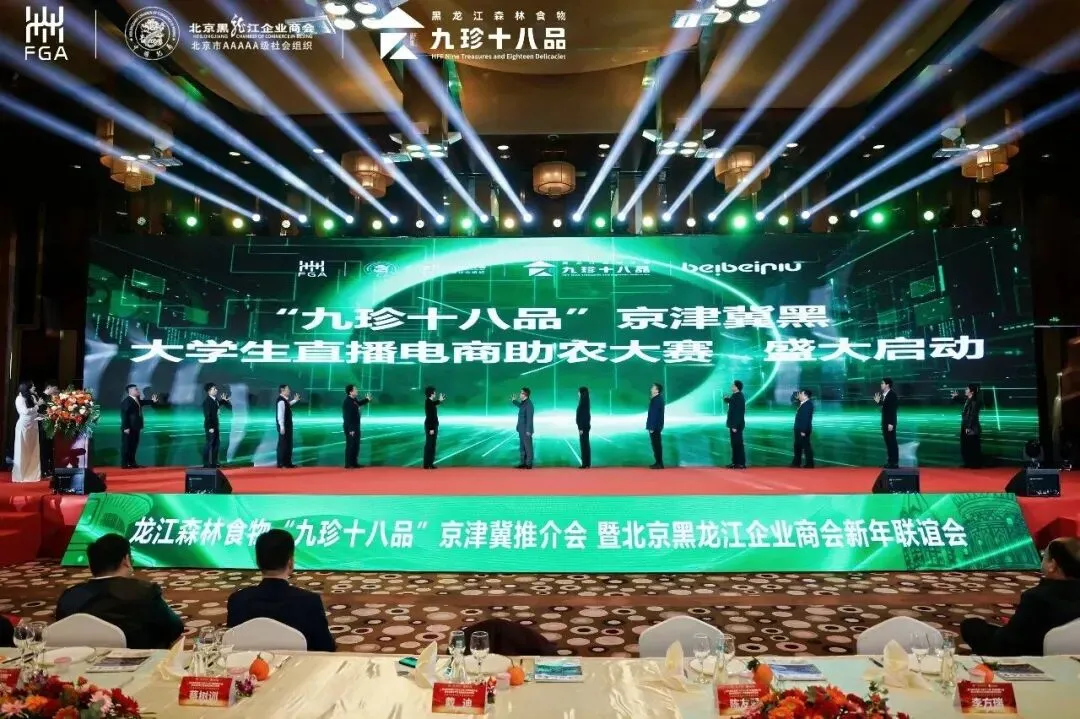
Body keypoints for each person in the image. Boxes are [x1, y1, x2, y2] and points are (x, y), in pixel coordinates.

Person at [55, 533, 184, 649]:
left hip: (83, 662)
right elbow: (174, 627)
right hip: (140, 661)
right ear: (126, 560)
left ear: (91, 565)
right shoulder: (144, 592)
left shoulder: (70, 596)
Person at [960, 537, 1080, 656]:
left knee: (971, 626)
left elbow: (1006, 645)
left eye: (1044, 554)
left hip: (1032, 656)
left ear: (1052, 565)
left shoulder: (1036, 598)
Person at [226, 529, 335, 652]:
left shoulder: (237, 600)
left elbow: (231, 645)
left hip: (249, 663)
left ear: (257, 562)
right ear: (291, 563)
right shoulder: (310, 602)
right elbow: (326, 648)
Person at [12, 381, 42, 483]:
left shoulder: (32, 397)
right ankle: (21, 475)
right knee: (22, 449)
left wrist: (41, 415)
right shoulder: (19, 399)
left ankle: (32, 475)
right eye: (32, 386)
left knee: (33, 449)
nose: (34, 387)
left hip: (33, 425)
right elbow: (24, 412)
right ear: (27, 388)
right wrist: (37, 406)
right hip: (24, 426)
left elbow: (35, 413)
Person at [342, 384, 373, 468]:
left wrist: (367, 399)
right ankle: (348, 464)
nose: (357, 391)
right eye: (355, 389)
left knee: (356, 444)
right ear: (350, 392)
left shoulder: (354, 400)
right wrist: (351, 429)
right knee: (351, 445)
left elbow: (359, 403)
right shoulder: (347, 401)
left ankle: (354, 463)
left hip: (355, 425)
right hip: (351, 427)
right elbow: (347, 417)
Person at [953, 384, 983, 468]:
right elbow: (961, 401)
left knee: (972, 446)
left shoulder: (974, 402)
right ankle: (968, 463)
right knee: (966, 446)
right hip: (966, 426)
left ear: (972, 392)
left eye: (967, 389)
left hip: (971, 428)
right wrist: (955, 397)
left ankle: (974, 464)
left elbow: (972, 415)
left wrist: (968, 427)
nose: (965, 390)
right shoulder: (968, 399)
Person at [202, 383, 230, 468]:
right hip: (210, 427)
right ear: (209, 391)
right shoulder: (207, 402)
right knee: (209, 445)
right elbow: (207, 415)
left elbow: (218, 404)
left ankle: (214, 463)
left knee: (216, 445)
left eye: (216, 388)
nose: (216, 390)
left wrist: (224, 400)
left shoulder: (215, 400)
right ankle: (206, 463)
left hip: (216, 426)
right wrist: (210, 427)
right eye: (214, 389)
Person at [119, 384, 146, 469]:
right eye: (136, 389)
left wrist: (153, 401)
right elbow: (124, 415)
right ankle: (124, 464)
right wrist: (126, 427)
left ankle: (132, 463)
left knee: (133, 446)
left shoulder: (136, 400)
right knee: (127, 446)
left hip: (135, 427)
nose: (138, 390)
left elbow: (143, 402)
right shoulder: (127, 401)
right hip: (128, 428)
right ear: (130, 391)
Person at [875, 378, 899, 468]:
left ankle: (894, 463)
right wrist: (879, 402)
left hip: (889, 423)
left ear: (887, 385)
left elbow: (893, 410)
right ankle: (890, 462)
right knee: (888, 442)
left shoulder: (892, 395)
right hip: (885, 422)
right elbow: (885, 409)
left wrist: (891, 423)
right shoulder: (885, 395)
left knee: (892, 442)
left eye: (882, 383)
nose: (881, 385)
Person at [37, 382, 59, 479]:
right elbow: (38, 412)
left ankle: (49, 469)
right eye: (55, 388)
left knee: (49, 449)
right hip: (42, 427)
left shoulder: (50, 398)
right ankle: (44, 470)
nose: (56, 390)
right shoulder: (40, 397)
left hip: (49, 427)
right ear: (49, 387)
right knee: (43, 449)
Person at [275, 384, 300, 468]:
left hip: (287, 426)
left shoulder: (284, 401)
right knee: (284, 445)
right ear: (282, 390)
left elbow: (287, 405)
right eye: (287, 389)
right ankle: (282, 463)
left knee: (287, 444)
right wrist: (282, 426)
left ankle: (287, 463)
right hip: (285, 426)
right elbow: (280, 415)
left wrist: (295, 400)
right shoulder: (281, 401)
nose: (289, 391)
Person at [724, 380, 746, 469]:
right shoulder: (735, 396)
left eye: (733, 385)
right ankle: (735, 462)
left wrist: (734, 425)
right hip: (734, 424)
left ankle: (740, 463)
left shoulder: (739, 396)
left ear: (737, 387)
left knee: (738, 444)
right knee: (734, 444)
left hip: (736, 425)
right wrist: (727, 400)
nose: (731, 387)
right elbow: (732, 402)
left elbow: (738, 412)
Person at [511, 387, 534, 469]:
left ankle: (528, 463)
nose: (520, 394)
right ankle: (523, 463)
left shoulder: (529, 404)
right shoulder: (524, 403)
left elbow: (529, 418)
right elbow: (520, 406)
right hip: (521, 429)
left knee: (528, 447)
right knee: (522, 446)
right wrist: (514, 401)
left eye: (521, 393)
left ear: (525, 394)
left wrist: (528, 430)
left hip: (526, 430)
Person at [792, 389, 815, 468]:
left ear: (805, 396)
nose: (799, 395)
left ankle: (809, 464)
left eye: (801, 394)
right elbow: (793, 403)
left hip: (802, 429)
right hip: (799, 428)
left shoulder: (807, 405)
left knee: (805, 447)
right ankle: (797, 463)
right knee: (798, 446)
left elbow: (806, 418)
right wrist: (797, 398)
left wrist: (803, 430)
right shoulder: (803, 403)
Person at [423, 386, 445, 469]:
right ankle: (427, 464)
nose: (435, 393)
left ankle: (430, 463)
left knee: (432, 445)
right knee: (430, 445)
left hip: (432, 425)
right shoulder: (428, 402)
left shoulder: (429, 402)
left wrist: (440, 400)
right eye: (434, 392)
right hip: (431, 426)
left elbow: (434, 404)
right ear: (431, 393)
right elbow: (430, 416)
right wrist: (431, 428)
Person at [647, 383, 665, 469]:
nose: (651, 389)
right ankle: (658, 462)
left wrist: (652, 427)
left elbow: (655, 414)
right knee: (656, 444)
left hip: (655, 426)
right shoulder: (656, 399)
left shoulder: (657, 400)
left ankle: (659, 463)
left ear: (657, 390)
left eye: (653, 388)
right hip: (656, 426)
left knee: (656, 445)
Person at [576, 386, 591, 469]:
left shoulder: (583, 403)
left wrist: (580, 427)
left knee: (584, 444)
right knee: (586, 444)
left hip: (583, 427)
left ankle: (584, 463)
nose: (578, 394)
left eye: (579, 392)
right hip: (585, 426)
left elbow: (583, 417)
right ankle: (587, 463)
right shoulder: (586, 402)